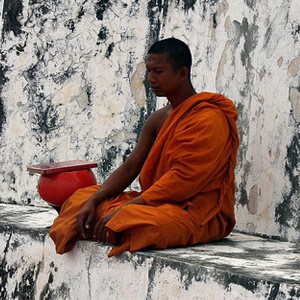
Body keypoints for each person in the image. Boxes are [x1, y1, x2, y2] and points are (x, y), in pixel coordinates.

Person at [49, 38, 239, 257]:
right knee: (80, 200)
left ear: (183, 73)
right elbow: (131, 167)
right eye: (149, 71)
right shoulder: (159, 118)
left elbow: (184, 179)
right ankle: (109, 219)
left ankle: (115, 221)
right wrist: (94, 200)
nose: (151, 79)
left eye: (158, 71)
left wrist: (128, 209)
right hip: (153, 201)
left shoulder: (208, 118)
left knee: (145, 226)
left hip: (196, 212)